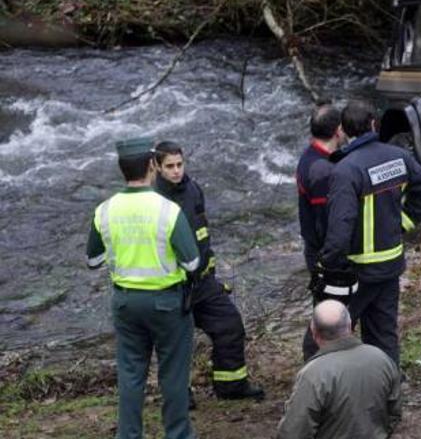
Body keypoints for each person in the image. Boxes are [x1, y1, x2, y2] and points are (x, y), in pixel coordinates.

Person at [86, 137, 200, 439]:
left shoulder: (104, 211)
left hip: (125, 303)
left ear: (122, 169)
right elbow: (192, 263)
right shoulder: (168, 210)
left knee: (131, 374)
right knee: (173, 375)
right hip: (167, 303)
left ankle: (128, 435)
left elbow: (93, 259)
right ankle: (178, 434)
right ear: (152, 166)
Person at [319, 100, 421, 365]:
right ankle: (388, 393)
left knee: (329, 336)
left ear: (342, 130)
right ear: (374, 123)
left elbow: (341, 226)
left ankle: (329, 393)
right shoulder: (397, 156)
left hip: (357, 272)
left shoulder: (346, 170)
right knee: (383, 336)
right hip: (389, 266)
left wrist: (328, 264)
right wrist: (403, 224)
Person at [153, 141, 264, 402]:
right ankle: (180, 395)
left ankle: (231, 386)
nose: (176, 171)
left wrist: (208, 272)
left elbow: (203, 235)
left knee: (229, 325)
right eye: (169, 166)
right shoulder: (154, 200)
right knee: (176, 342)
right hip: (173, 285)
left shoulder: (192, 189)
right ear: (157, 167)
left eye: (180, 164)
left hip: (203, 282)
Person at [277, 300, 401, 439]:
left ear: (314, 332)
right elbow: (394, 412)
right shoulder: (381, 358)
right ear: (349, 326)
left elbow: (293, 432)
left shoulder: (313, 374)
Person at [295, 102, 345, 360]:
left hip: (317, 249)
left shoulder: (313, 158)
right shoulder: (321, 171)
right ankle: (313, 361)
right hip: (324, 253)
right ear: (338, 131)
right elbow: (326, 221)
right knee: (328, 313)